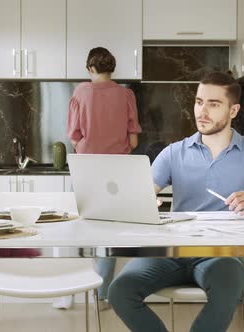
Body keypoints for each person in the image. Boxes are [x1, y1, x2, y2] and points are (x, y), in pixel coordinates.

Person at [108, 71, 244, 332]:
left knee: (230, 283)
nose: (202, 111)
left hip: (221, 255)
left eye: (213, 104)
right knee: (119, 290)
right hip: (170, 251)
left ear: (234, 110)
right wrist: (142, 202)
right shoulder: (173, 152)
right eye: (199, 102)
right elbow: (140, 195)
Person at [54, 47, 142, 310]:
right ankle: (101, 296)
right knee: (108, 234)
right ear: (111, 68)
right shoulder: (126, 94)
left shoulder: (81, 92)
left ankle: (67, 292)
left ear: (90, 69)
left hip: (86, 169)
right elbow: (134, 140)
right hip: (117, 171)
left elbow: (74, 135)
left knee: (75, 230)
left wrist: (86, 143)